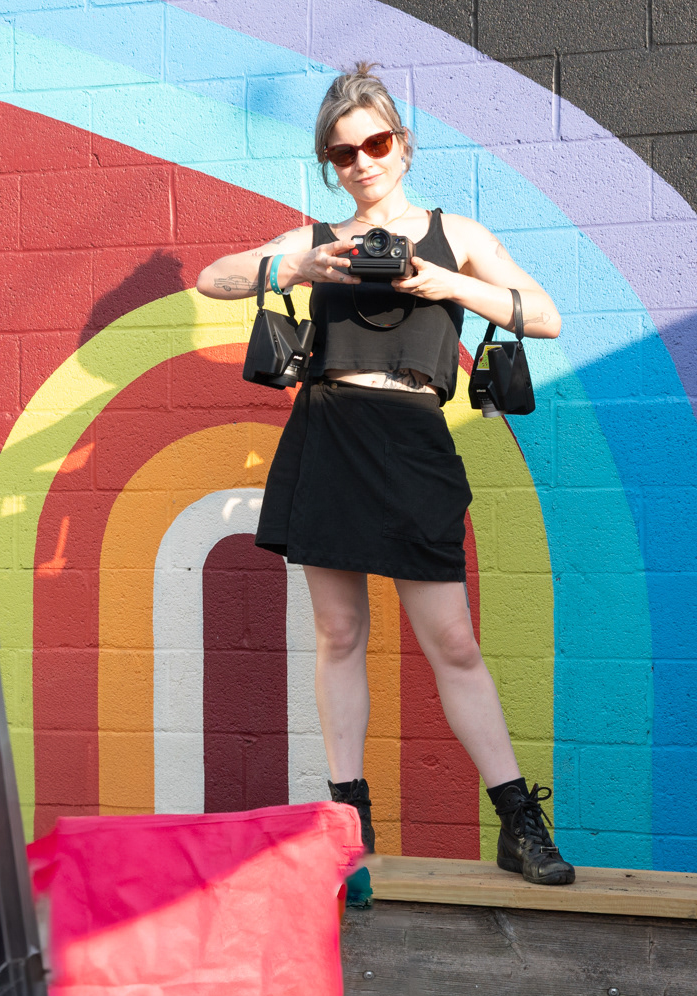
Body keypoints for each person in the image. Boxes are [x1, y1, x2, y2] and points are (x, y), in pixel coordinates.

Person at [197, 63, 573, 894]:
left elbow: (544, 315)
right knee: (339, 635)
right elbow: (211, 278)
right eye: (343, 153)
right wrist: (298, 269)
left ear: (402, 145)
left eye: (374, 144)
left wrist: (445, 282)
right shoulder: (318, 239)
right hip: (328, 432)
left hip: (412, 440)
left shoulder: (455, 234)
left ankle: (518, 823)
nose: (361, 163)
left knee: (454, 643)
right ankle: (349, 819)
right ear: (330, 164)